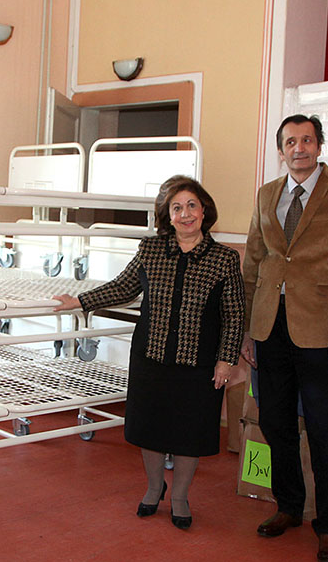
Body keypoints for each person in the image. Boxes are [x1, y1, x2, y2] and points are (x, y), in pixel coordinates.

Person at [53, 175, 245, 530]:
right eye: (177, 208)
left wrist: (226, 359)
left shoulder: (224, 258)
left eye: (191, 205)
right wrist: (79, 300)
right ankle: (155, 488)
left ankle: (180, 496)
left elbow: (234, 314)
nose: (185, 214)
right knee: (150, 428)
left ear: (204, 210)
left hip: (198, 363)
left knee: (189, 433)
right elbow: (123, 287)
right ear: (167, 215)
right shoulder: (151, 249)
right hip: (151, 358)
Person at [241, 114, 328, 562]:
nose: (300, 148)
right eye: (291, 141)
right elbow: (253, 262)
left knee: (322, 431)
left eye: (308, 140)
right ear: (281, 150)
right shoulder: (266, 194)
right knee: (275, 423)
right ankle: (289, 506)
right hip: (269, 327)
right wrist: (246, 329)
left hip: (319, 331)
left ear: (319, 145)